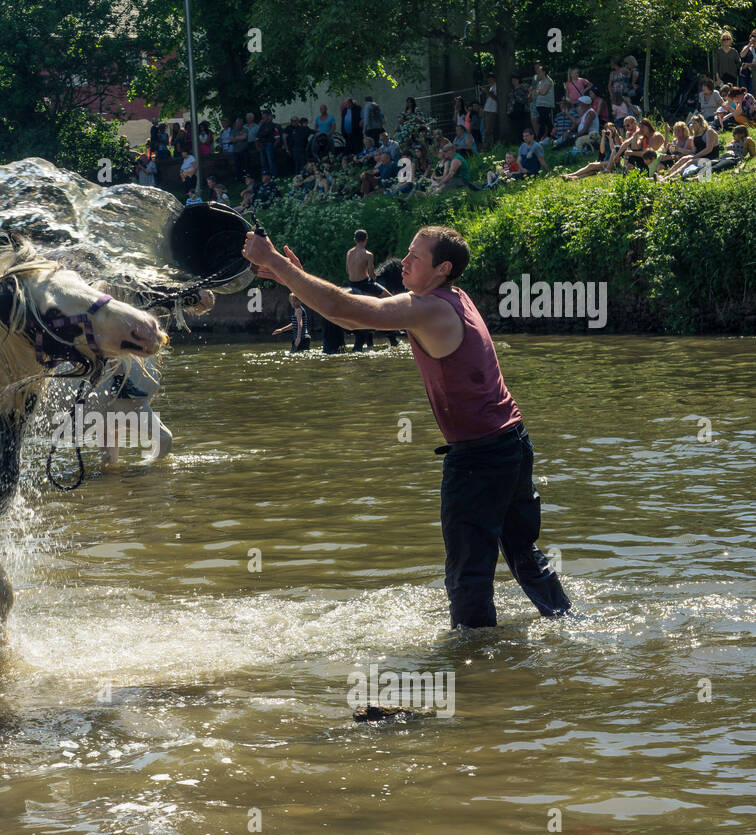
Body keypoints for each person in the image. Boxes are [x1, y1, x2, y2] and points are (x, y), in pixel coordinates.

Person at [242, 224, 571, 629]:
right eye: (409, 251)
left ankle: (473, 670)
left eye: (417, 255)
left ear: (442, 267)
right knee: (522, 551)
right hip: (512, 442)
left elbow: (351, 310)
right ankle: (566, 622)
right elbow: (348, 316)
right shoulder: (452, 297)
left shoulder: (430, 308)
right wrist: (292, 276)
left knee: (468, 575)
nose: (406, 260)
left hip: (480, 457)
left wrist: (273, 260)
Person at [256, 110, 278, 176]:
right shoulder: (261, 126)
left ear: (268, 117)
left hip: (269, 144)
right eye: (262, 117)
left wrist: (273, 146)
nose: (263, 118)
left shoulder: (273, 125)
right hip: (262, 145)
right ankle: (265, 176)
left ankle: (273, 175)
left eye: (264, 117)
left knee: (271, 161)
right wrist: (258, 146)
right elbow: (258, 136)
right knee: (263, 162)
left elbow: (277, 137)